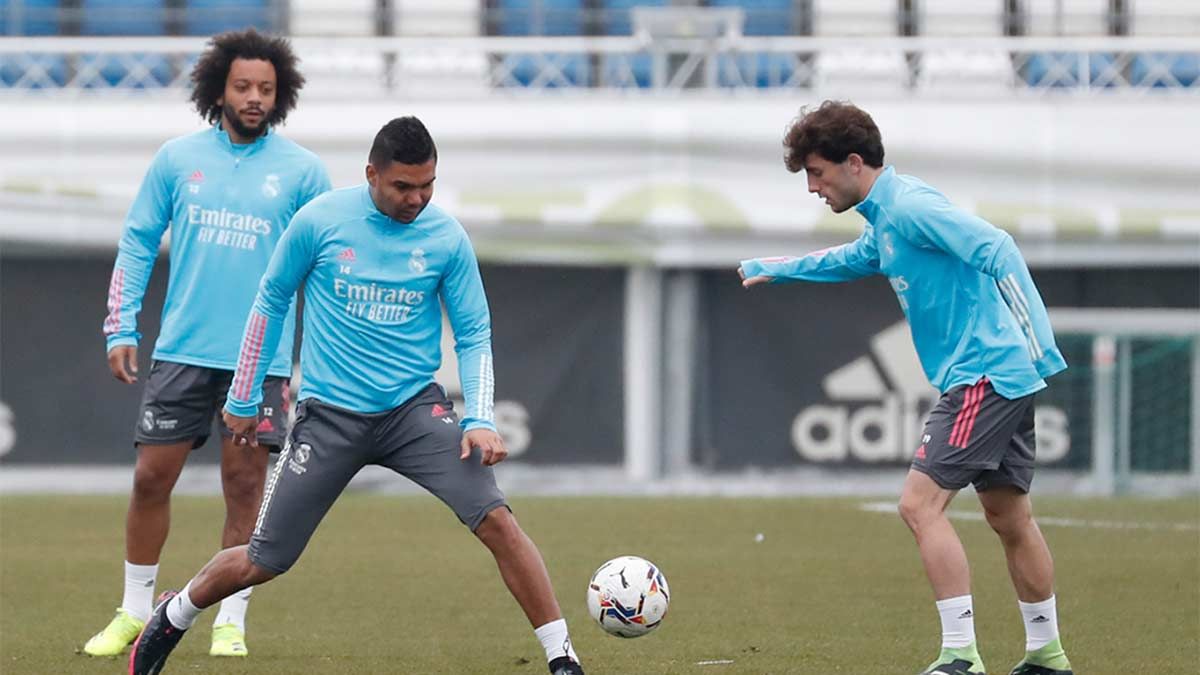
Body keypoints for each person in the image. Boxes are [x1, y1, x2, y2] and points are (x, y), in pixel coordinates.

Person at [129, 116, 585, 675]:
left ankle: (562, 656)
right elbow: (270, 301)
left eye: (428, 184)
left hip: (414, 412)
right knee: (263, 560)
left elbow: (474, 334)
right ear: (371, 174)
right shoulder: (319, 222)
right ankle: (175, 613)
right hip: (328, 419)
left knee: (496, 520)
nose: (417, 198)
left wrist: (480, 418)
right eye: (403, 186)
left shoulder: (445, 238)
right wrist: (244, 395)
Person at [738, 101, 1073, 675]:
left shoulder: (911, 206)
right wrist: (783, 266)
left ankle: (960, 657)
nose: (812, 187)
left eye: (816, 173)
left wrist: (1039, 342)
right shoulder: (886, 217)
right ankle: (1047, 655)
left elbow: (998, 248)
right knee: (1009, 518)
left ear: (852, 163)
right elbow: (852, 259)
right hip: (1000, 376)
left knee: (919, 506)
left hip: (984, 376)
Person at [89, 28, 330, 659]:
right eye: (244, 86)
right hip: (183, 351)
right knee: (150, 478)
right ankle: (134, 612)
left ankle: (230, 619)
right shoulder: (176, 159)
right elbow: (138, 241)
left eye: (266, 89)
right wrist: (122, 327)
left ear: (281, 96)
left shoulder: (304, 172)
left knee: (244, 486)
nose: (254, 98)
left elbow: (326, 271)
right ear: (218, 88)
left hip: (263, 361)